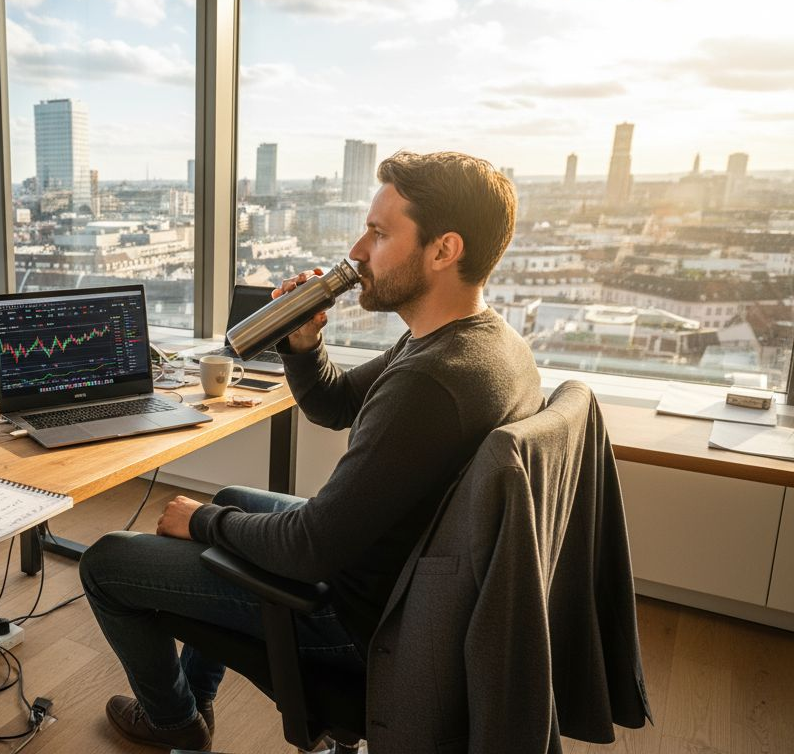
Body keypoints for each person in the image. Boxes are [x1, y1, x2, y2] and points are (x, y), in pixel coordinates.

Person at [78, 150, 546, 751]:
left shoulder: (431, 382)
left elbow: (310, 546)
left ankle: (174, 723)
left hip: (357, 617)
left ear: (443, 250)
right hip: (402, 577)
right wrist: (301, 343)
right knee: (226, 498)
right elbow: (333, 404)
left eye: (378, 234)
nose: (356, 251)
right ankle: (195, 701)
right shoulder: (476, 342)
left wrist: (205, 522)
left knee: (109, 560)